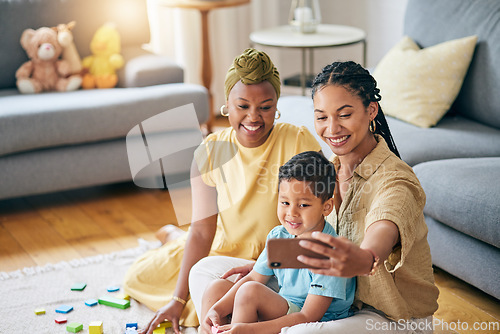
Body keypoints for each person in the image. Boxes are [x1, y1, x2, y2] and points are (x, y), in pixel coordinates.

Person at [190, 61, 439, 334]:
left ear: (371, 111)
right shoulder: (325, 172)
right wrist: (272, 262)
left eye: (344, 115)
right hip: (323, 294)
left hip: (385, 316)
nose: (331, 129)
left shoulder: (396, 181)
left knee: (302, 330)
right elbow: (310, 239)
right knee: (207, 271)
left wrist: (363, 258)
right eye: (321, 117)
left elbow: (380, 236)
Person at [122, 48, 322, 334]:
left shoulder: (298, 142)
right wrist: (177, 300)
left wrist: (262, 266)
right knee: (139, 277)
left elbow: (321, 225)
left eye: (265, 107)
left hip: (279, 262)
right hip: (225, 257)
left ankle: (173, 237)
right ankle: (172, 237)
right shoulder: (210, 152)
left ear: (277, 104)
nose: (253, 118)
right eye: (242, 106)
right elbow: (203, 232)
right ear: (226, 103)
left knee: (239, 312)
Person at [201, 151, 356, 334]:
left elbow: (308, 316)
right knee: (217, 288)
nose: (291, 213)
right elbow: (254, 277)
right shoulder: (279, 235)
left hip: (318, 318)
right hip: (285, 303)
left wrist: (250, 329)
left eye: (303, 205)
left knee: (250, 292)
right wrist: (217, 309)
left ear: (326, 207)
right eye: (284, 202)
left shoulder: (330, 254)